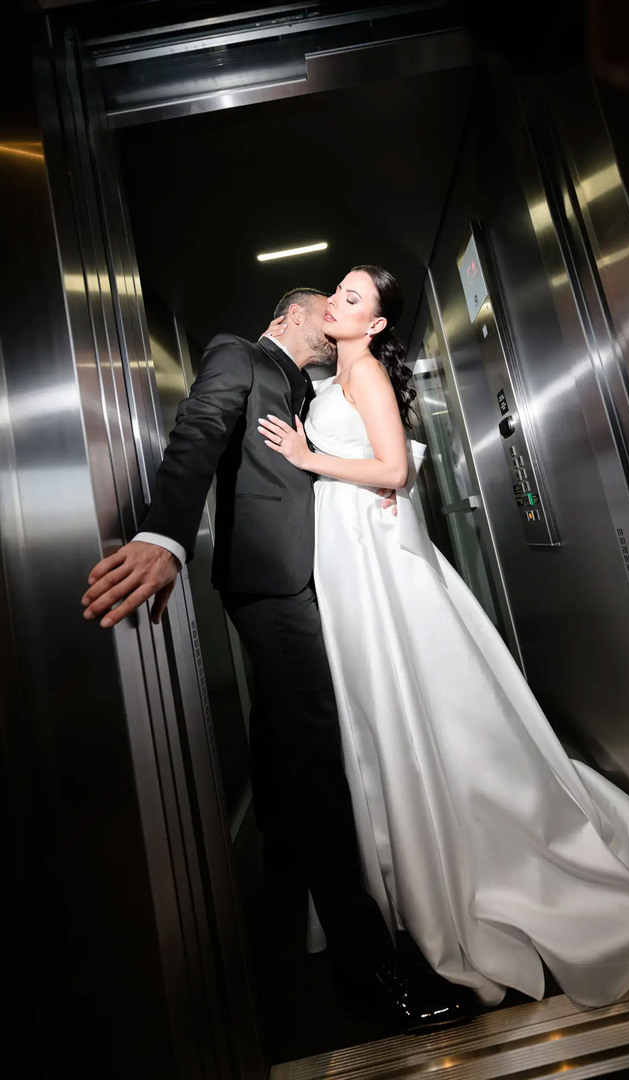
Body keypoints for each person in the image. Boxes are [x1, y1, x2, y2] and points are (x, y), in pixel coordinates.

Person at [258, 264, 629, 1009]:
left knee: (411, 690)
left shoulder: (366, 376)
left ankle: (472, 855)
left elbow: (393, 469)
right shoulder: (327, 381)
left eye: (351, 299)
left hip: (373, 555)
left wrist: (307, 459)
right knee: (373, 701)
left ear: (375, 324)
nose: (335, 306)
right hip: (347, 550)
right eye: (336, 295)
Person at [80, 286, 477, 1032]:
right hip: (270, 585)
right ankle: (369, 971)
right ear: (289, 315)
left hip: (319, 578)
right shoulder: (239, 354)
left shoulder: (311, 385)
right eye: (323, 305)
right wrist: (165, 534)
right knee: (318, 758)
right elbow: (199, 431)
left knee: (282, 745)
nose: (332, 317)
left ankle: (284, 908)